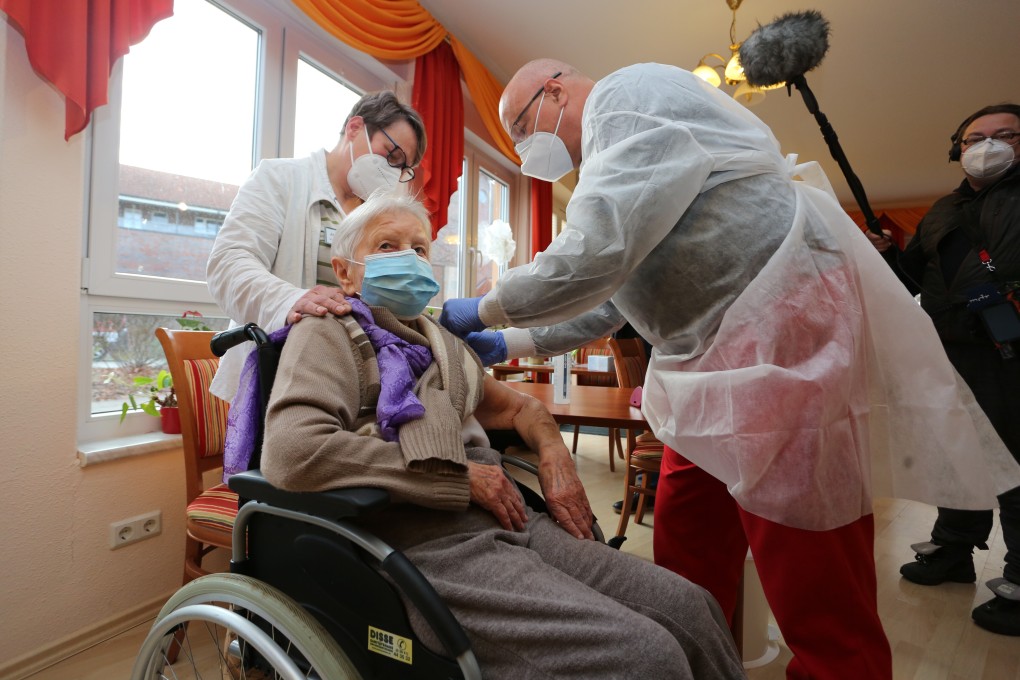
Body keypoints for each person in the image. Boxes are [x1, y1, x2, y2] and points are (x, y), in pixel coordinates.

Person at [439, 59, 1020, 679]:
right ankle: (703, 663)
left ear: (553, 89)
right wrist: (511, 339)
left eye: (523, 129)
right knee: (687, 552)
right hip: (710, 375)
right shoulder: (617, 167)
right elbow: (613, 296)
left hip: (777, 346)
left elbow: (596, 252)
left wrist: (486, 305)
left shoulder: (628, 97)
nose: (528, 150)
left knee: (811, 570)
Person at [257, 192, 746, 680]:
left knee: (692, 609)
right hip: (427, 541)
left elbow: (522, 409)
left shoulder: (438, 342)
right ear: (345, 271)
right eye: (388, 246)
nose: (409, 258)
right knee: (646, 656)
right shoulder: (328, 333)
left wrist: (556, 457)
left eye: (420, 248)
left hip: (509, 520)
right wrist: (460, 477)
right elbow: (292, 450)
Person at [866, 103, 1020, 636]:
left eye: (1004, 135)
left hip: (1011, 353)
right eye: (976, 137)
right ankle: (954, 550)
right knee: (956, 454)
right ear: (959, 148)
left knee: (1014, 462)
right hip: (949, 349)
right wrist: (886, 253)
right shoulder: (940, 210)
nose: (988, 145)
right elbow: (912, 276)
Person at [206, 90, 426, 402]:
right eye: (390, 154)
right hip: (283, 378)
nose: (392, 171)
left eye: (401, 167)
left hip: (354, 381)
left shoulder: (378, 216)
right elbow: (227, 265)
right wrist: (291, 300)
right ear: (354, 128)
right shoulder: (281, 179)